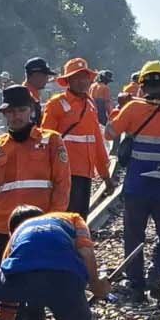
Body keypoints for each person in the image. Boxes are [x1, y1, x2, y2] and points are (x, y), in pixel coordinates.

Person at [106, 61, 160, 301]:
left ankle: (136, 284)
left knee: (133, 235)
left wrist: (120, 109)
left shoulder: (133, 109)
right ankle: (157, 273)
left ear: (142, 86)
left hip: (137, 186)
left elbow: (110, 132)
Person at [0, 86, 72, 265]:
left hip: (40, 226)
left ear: (32, 111)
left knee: (39, 281)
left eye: (22, 110)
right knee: (9, 283)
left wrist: (52, 223)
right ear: (4, 114)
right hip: (4, 229)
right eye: (11, 112)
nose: (17, 116)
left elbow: (62, 186)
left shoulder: (51, 140)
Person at [40, 57, 111, 216]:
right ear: (68, 81)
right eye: (77, 77)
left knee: (79, 218)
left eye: (85, 77)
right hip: (64, 172)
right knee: (63, 217)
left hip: (85, 173)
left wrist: (105, 175)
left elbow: (97, 142)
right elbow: (45, 140)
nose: (82, 81)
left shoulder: (90, 104)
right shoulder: (57, 103)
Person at [23, 56, 56, 124]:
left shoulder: (32, 93)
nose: (47, 79)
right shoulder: (25, 96)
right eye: (45, 76)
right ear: (35, 75)